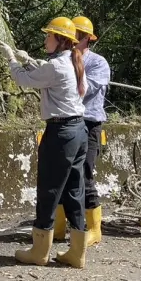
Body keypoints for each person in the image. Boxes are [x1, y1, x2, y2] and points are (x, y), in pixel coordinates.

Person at [0, 17, 89, 268]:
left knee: (49, 190)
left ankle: (39, 251)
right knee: (74, 190)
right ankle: (77, 253)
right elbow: (44, 72)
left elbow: (25, 80)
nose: (45, 39)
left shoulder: (58, 66)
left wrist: (11, 60)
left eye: (49, 36)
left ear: (60, 40)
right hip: (78, 131)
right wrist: (28, 60)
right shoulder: (72, 62)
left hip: (61, 133)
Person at [51, 16, 110, 247]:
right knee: (60, 173)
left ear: (87, 38)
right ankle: (57, 227)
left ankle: (94, 229)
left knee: (84, 173)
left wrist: (61, 76)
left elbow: (86, 90)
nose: (73, 38)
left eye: (77, 34)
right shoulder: (62, 59)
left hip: (89, 123)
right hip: (66, 122)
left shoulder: (98, 63)